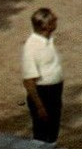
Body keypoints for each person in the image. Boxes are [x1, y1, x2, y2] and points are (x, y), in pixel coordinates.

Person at [21, 8, 64, 144]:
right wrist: (39, 107)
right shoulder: (31, 47)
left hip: (55, 92)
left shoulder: (47, 38)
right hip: (43, 95)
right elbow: (28, 81)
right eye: (53, 20)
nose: (56, 19)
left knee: (53, 131)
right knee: (41, 135)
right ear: (45, 25)